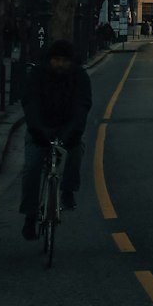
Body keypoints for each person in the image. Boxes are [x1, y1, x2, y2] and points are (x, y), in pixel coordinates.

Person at [19, 39, 93, 240]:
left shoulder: (79, 77)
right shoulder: (37, 75)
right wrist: (38, 130)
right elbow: (30, 103)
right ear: (50, 60)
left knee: (75, 153)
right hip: (40, 127)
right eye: (56, 60)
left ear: (71, 62)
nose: (60, 64)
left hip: (67, 127)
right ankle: (30, 215)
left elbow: (82, 107)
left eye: (64, 61)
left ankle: (68, 190)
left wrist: (71, 133)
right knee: (32, 167)